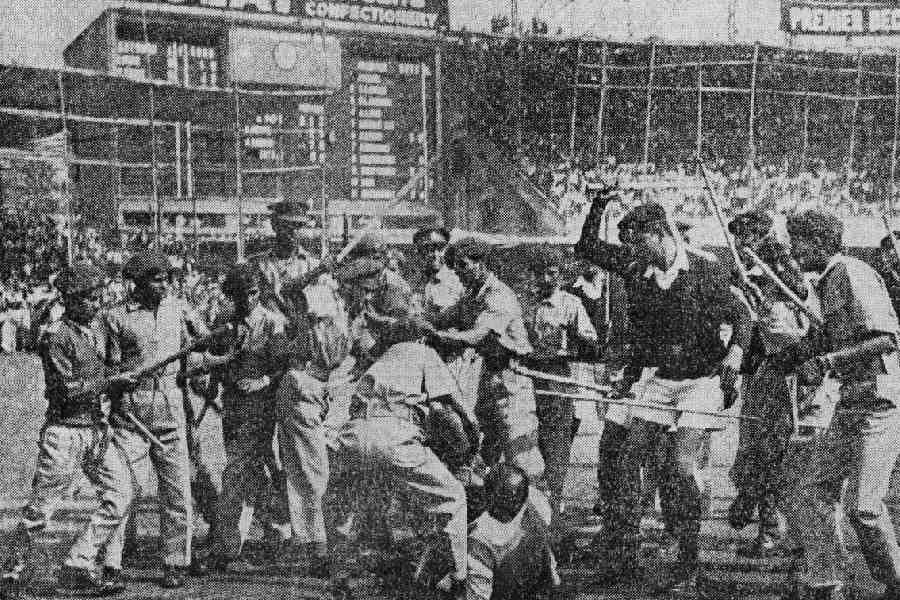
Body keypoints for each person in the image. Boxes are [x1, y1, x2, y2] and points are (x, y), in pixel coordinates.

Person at [574, 193, 751, 594]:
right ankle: (624, 555)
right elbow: (588, 248)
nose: (632, 253)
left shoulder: (707, 268)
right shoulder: (642, 271)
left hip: (702, 381)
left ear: (658, 235)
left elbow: (741, 316)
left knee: (681, 467)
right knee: (624, 461)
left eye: (638, 243)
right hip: (658, 380)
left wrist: (736, 354)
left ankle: (688, 562)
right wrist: (600, 206)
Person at [65, 250, 211, 589]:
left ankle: (176, 560)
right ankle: (113, 560)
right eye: (156, 279)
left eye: (166, 278)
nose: (164, 285)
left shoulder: (179, 309)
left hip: (171, 404)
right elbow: (106, 366)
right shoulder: (115, 318)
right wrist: (120, 379)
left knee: (177, 489)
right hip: (131, 409)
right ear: (138, 283)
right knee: (125, 488)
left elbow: (199, 347)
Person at [779, 210, 900, 600]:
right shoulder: (828, 280)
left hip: (881, 400)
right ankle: (827, 582)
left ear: (819, 242)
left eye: (798, 242)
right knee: (814, 492)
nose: (794, 251)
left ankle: (896, 582)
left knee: (864, 509)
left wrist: (827, 362)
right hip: (852, 400)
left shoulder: (851, 272)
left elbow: (886, 339)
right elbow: (825, 340)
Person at [0, 264, 128, 596]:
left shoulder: (96, 331)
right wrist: (111, 381)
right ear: (69, 300)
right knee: (42, 509)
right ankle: (11, 571)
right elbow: (65, 390)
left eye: (98, 298)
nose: (96, 305)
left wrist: (121, 377)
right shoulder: (56, 337)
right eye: (88, 299)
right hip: (65, 433)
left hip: (96, 431)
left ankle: (78, 563)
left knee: (121, 494)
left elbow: (108, 369)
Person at [331, 340, 473, 594]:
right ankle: (460, 579)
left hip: (353, 433)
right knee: (454, 498)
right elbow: (450, 406)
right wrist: (472, 428)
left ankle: (343, 573)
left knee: (361, 503)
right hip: (392, 434)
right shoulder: (424, 351)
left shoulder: (386, 357)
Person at [429, 237, 550, 522]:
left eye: (462, 266)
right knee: (486, 463)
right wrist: (418, 324)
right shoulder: (472, 295)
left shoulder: (499, 295)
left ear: (481, 263)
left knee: (525, 461)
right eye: (454, 268)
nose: (458, 272)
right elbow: (443, 318)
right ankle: (494, 530)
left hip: (512, 389)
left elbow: (476, 336)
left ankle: (544, 528)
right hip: (487, 387)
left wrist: (440, 336)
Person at [727, 210, 809, 558]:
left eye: (745, 239)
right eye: (738, 240)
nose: (739, 245)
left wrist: (766, 284)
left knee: (779, 453)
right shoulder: (740, 272)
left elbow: (800, 297)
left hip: (786, 374)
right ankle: (758, 510)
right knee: (753, 448)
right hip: (758, 375)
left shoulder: (783, 265)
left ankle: (775, 529)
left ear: (758, 238)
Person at [200, 263, 292, 572]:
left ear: (258, 292)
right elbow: (215, 361)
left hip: (261, 405)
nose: (244, 301)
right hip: (233, 404)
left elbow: (283, 366)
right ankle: (277, 531)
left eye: (250, 294)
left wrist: (263, 381)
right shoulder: (225, 320)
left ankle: (228, 546)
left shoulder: (272, 323)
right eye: (238, 295)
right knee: (254, 470)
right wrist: (211, 392)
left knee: (237, 471)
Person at [276, 280, 350, 577]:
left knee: (306, 472)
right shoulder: (320, 324)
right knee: (313, 473)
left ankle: (312, 542)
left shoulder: (331, 322)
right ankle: (318, 547)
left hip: (312, 391)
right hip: (305, 389)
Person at [524, 250, 597, 528]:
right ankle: (534, 508)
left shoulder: (571, 304)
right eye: (540, 272)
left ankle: (553, 510)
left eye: (552, 273)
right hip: (530, 377)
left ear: (560, 275)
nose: (545, 278)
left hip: (558, 376)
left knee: (556, 446)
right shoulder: (527, 305)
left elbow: (591, 342)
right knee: (532, 445)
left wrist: (574, 339)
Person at [467, 464, 561, 600]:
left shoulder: (481, 538)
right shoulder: (535, 518)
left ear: (489, 496)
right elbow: (553, 577)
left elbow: (477, 595)